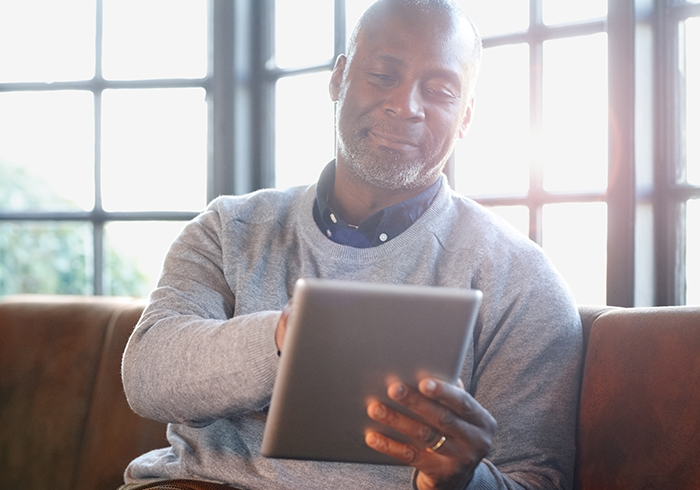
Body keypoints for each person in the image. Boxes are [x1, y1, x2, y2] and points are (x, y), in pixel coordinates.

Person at [120, 1, 582, 489]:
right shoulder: (229, 228)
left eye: (439, 90)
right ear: (339, 78)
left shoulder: (522, 279)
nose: (406, 105)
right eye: (383, 74)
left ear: (465, 116)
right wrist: (285, 337)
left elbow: (537, 479)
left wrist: (462, 481)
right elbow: (149, 376)